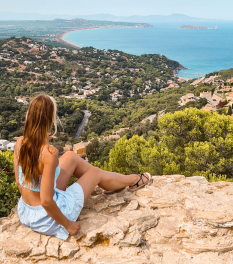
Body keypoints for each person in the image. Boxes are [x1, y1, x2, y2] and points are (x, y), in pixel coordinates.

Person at [14, 93, 151, 240]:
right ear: (50, 119)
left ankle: (110, 182)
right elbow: (46, 201)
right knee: (95, 173)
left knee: (70, 156)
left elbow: (19, 183)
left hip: (27, 211)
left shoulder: (20, 142)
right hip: (47, 218)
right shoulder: (49, 153)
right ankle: (133, 180)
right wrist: (67, 224)